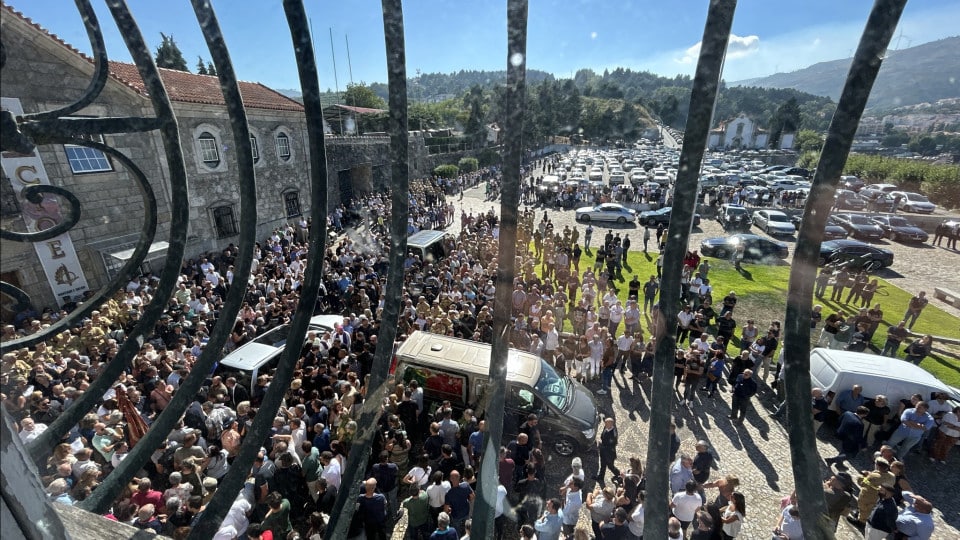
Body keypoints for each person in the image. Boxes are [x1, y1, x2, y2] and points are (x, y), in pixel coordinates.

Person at [824, 405, 868, 471]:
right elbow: (858, 436)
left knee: (843, 450)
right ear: (864, 414)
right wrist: (863, 446)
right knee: (850, 454)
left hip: (840, 433)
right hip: (849, 439)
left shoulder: (847, 413)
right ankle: (832, 460)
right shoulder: (859, 424)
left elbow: (839, 420)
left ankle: (839, 463)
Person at [594, 418, 621, 485]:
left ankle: (619, 475)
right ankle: (601, 477)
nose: (604, 424)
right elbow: (603, 437)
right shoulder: (606, 427)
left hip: (609, 454)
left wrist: (601, 446)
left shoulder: (614, 435)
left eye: (606, 423)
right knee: (603, 465)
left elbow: (611, 445)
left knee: (610, 466)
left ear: (611, 424)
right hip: (603, 452)